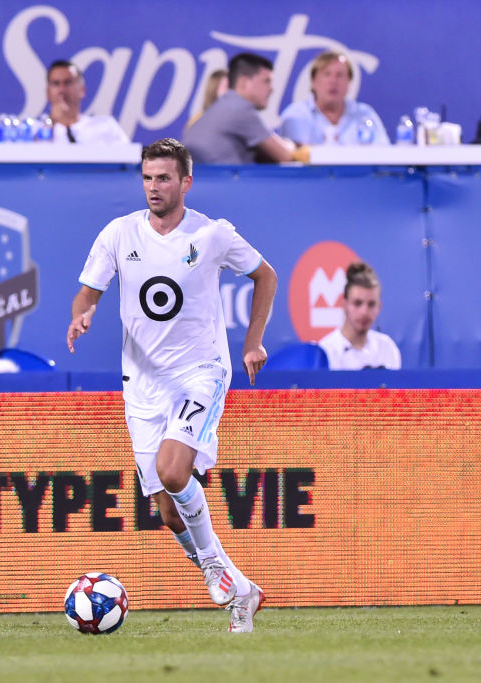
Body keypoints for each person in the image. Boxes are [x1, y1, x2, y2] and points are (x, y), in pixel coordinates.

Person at [66, 138, 277, 632]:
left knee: (174, 470)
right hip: (142, 386)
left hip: (199, 372)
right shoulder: (119, 234)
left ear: (185, 181)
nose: (153, 187)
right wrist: (83, 316)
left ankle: (214, 571)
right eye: (147, 177)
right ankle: (240, 590)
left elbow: (265, 276)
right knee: (166, 510)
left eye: (163, 178)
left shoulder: (213, 235)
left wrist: (253, 343)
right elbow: (86, 294)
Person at [183, 52, 308, 164]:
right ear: (243, 83)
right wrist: (292, 146)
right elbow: (285, 157)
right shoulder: (240, 110)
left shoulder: (223, 106)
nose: (272, 89)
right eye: (266, 81)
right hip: (226, 186)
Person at [278, 51, 390, 146]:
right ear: (313, 82)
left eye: (340, 75)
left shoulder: (364, 114)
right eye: (327, 74)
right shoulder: (295, 116)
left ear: (349, 83)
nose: (333, 81)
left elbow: (384, 154)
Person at [318, 262, 401, 370]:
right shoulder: (326, 352)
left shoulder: (387, 348)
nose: (364, 312)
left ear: (379, 307)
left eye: (371, 304)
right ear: (344, 305)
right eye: (357, 303)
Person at [46, 60, 129, 144]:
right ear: (47, 92)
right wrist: (51, 121)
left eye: (68, 82)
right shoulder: (36, 129)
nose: (62, 90)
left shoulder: (106, 126)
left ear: (82, 89)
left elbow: (129, 154)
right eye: (56, 83)